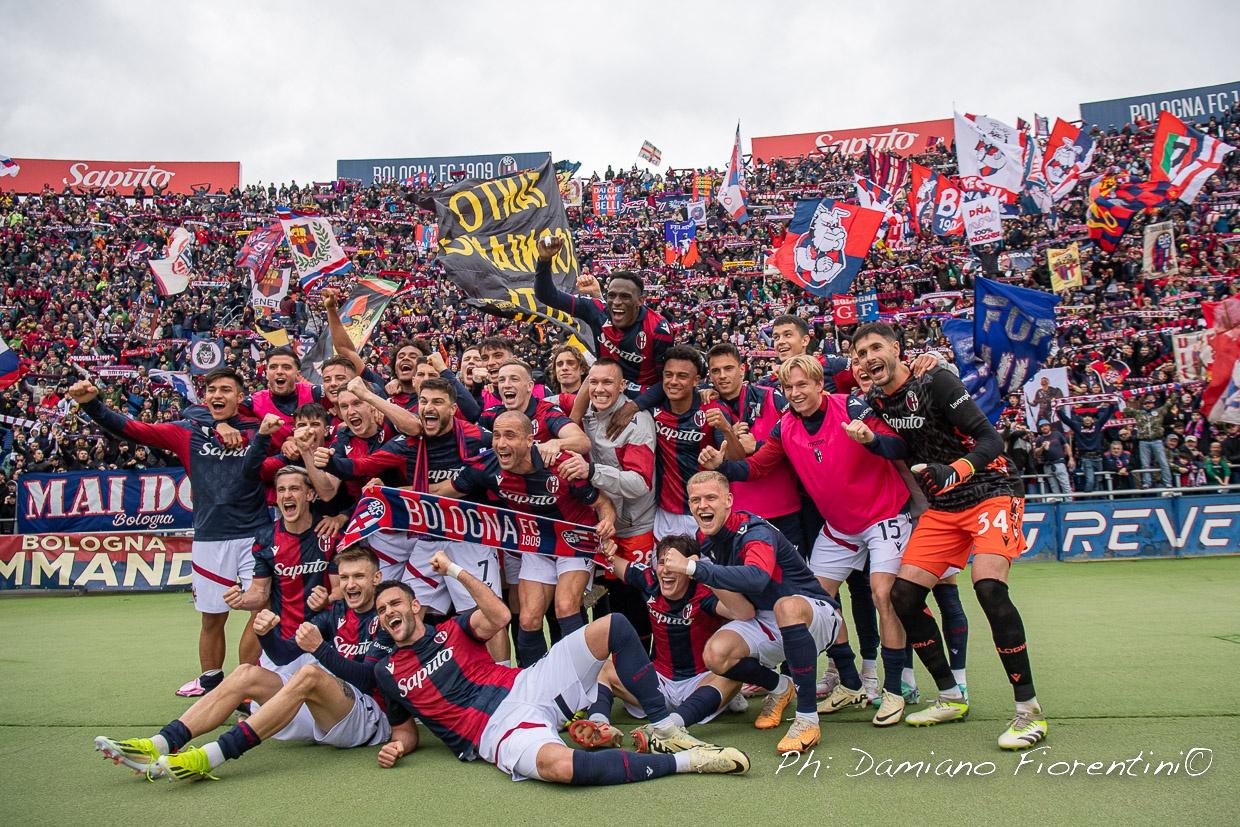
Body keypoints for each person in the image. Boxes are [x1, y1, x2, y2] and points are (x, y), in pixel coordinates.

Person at [372, 553, 750, 782]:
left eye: (395, 604)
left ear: (415, 606)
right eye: (382, 610)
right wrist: (398, 747)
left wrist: (455, 570)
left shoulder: (451, 629)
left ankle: (664, 730)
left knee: (614, 626)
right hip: (493, 732)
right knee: (561, 768)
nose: (390, 612)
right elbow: (405, 731)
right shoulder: (387, 672)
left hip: (527, 684)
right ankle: (686, 762)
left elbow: (500, 615)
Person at [852, 322, 1046, 750]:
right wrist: (871, 441)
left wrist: (953, 471)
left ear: (897, 349)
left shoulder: (935, 379)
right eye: (861, 353)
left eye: (876, 348)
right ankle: (950, 696)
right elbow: (901, 447)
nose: (868, 358)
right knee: (904, 596)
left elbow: (990, 439)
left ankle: (1028, 711)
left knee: (989, 588)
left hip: (993, 490)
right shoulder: (877, 400)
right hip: (945, 504)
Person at [701, 354, 912, 724]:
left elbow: (898, 445)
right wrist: (722, 467)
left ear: (818, 385)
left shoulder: (850, 406)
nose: (795, 392)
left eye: (802, 384)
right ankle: (850, 683)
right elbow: (757, 466)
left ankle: (894, 689)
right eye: (789, 387)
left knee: (882, 594)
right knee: (816, 600)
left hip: (884, 514)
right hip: (841, 526)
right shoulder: (786, 425)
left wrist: (871, 439)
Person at [93, 547, 393, 781]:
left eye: (359, 576)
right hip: (328, 714)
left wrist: (320, 649)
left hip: (369, 720)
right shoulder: (335, 613)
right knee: (247, 673)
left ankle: (210, 756)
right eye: (345, 578)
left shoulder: (386, 615)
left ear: (376, 578)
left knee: (311, 674)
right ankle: (160, 743)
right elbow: (283, 656)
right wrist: (266, 634)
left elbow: (369, 679)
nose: (350, 584)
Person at [67, 371, 269, 697]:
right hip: (210, 538)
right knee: (212, 618)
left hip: (255, 535)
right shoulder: (186, 431)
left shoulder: (258, 429)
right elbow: (133, 429)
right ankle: (210, 681)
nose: (218, 395)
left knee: (262, 611)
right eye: (212, 390)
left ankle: (246, 684)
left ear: (240, 396)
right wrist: (92, 405)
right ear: (204, 397)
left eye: (226, 390)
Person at [670, 471, 844, 754]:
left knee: (785, 605)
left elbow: (757, 578)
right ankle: (780, 687)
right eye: (695, 500)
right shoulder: (705, 539)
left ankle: (807, 720)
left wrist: (693, 568)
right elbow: (741, 607)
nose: (703, 506)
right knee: (716, 654)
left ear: (729, 500)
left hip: (814, 614)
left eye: (711, 498)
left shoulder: (754, 531)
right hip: (765, 617)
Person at [432, 411, 617, 667]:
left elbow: (603, 503)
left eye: (510, 436)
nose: (501, 444)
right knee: (528, 620)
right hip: (537, 543)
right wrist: (385, 490)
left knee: (565, 607)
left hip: (575, 541)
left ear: (530, 440)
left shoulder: (561, 465)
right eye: (497, 436)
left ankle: (583, 678)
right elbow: (439, 491)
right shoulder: (486, 466)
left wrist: (607, 522)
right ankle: (535, 682)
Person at [569, 535, 748, 750]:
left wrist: (702, 571)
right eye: (662, 562)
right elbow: (612, 561)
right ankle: (599, 726)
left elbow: (742, 612)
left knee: (737, 671)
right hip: (656, 685)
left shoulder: (704, 593)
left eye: (674, 564)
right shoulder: (649, 579)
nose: (666, 570)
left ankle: (668, 727)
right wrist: (604, 546)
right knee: (602, 667)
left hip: (700, 683)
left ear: (688, 569)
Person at [533, 235, 672, 398]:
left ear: (640, 301)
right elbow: (547, 295)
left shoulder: (658, 328)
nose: (617, 302)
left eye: (625, 297)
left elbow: (666, 381)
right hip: (605, 391)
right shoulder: (596, 310)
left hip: (644, 398)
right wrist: (544, 260)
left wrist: (634, 406)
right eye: (612, 295)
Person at [704, 343, 804, 553]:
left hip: (784, 508)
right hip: (739, 515)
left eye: (728, 368)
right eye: (716, 371)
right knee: (749, 573)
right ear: (710, 376)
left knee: (792, 573)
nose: (722, 376)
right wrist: (729, 433)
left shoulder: (771, 396)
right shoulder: (707, 406)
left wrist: (757, 446)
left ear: (742, 369)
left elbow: (799, 441)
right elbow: (730, 458)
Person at [649, 345, 744, 539]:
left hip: (707, 512)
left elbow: (737, 458)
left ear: (696, 380)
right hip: (666, 513)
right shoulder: (652, 408)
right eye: (668, 375)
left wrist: (727, 430)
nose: (673, 381)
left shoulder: (711, 408)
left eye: (682, 376)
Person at [1058, 404, 1114, 492]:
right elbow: (1066, 420)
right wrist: (1058, 411)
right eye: (1085, 417)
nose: (1087, 418)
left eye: (1089, 417)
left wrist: (1112, 405)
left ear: (1092, 419)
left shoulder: (1097, 425)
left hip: (1098, 458)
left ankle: (1098, 499)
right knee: (1090, 481)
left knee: (1098, 481)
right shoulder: (1077, 426)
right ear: (1082, 419)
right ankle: (1087, 498)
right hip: (1086, 458)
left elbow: (1106, 416)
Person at [1033, 419, 1073, 496]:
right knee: (1054, 487)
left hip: (1059, 463)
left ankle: (1068, 503)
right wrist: (1042, 447)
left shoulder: (1057, 434)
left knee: (1066, 486)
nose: (1044, 427)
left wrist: (1071, 458)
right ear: (1040, 428)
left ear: (1049, 426)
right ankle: (1058, 503)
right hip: (1048, 465)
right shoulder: (1039, 439)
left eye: (1046, 425)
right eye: (1042, 426)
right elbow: (1036, 454)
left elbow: (1066, 446)